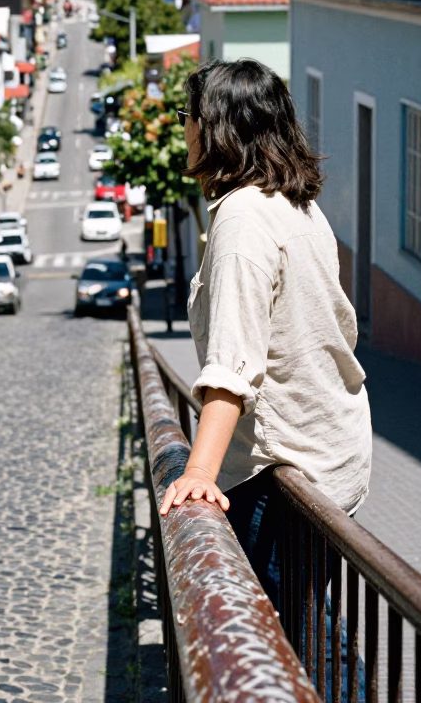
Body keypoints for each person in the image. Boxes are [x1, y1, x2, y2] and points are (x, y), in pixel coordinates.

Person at [159, 58, 372, 617]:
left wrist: (199, 475)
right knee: (308, 631)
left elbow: (233, 367)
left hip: (280, 472)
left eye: (188, 116)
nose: (183, 127)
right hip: (331, 459)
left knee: (283, 645)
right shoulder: (295, 204)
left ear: (217, 128)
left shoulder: (243, 221)